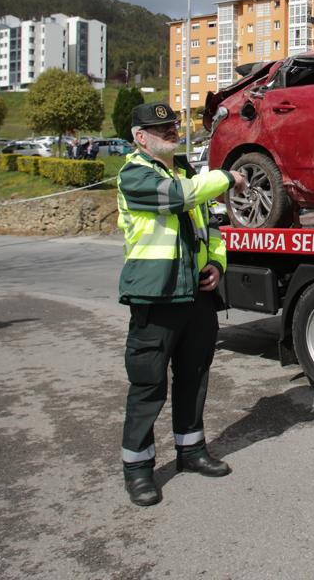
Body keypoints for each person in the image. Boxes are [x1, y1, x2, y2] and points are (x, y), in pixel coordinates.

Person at [116, 102, 247, 507]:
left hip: (196, 296)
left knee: (194, 377)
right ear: (141, 137)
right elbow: (177, 199)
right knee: (148, 385)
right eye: (162, 129)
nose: (172, 132)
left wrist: (217, 266)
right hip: (156, 297)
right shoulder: (135, 174)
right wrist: (225, 176)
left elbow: (213, 229)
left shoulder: (187, 174)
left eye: (173, 126)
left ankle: (191, 450)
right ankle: (139, 471)